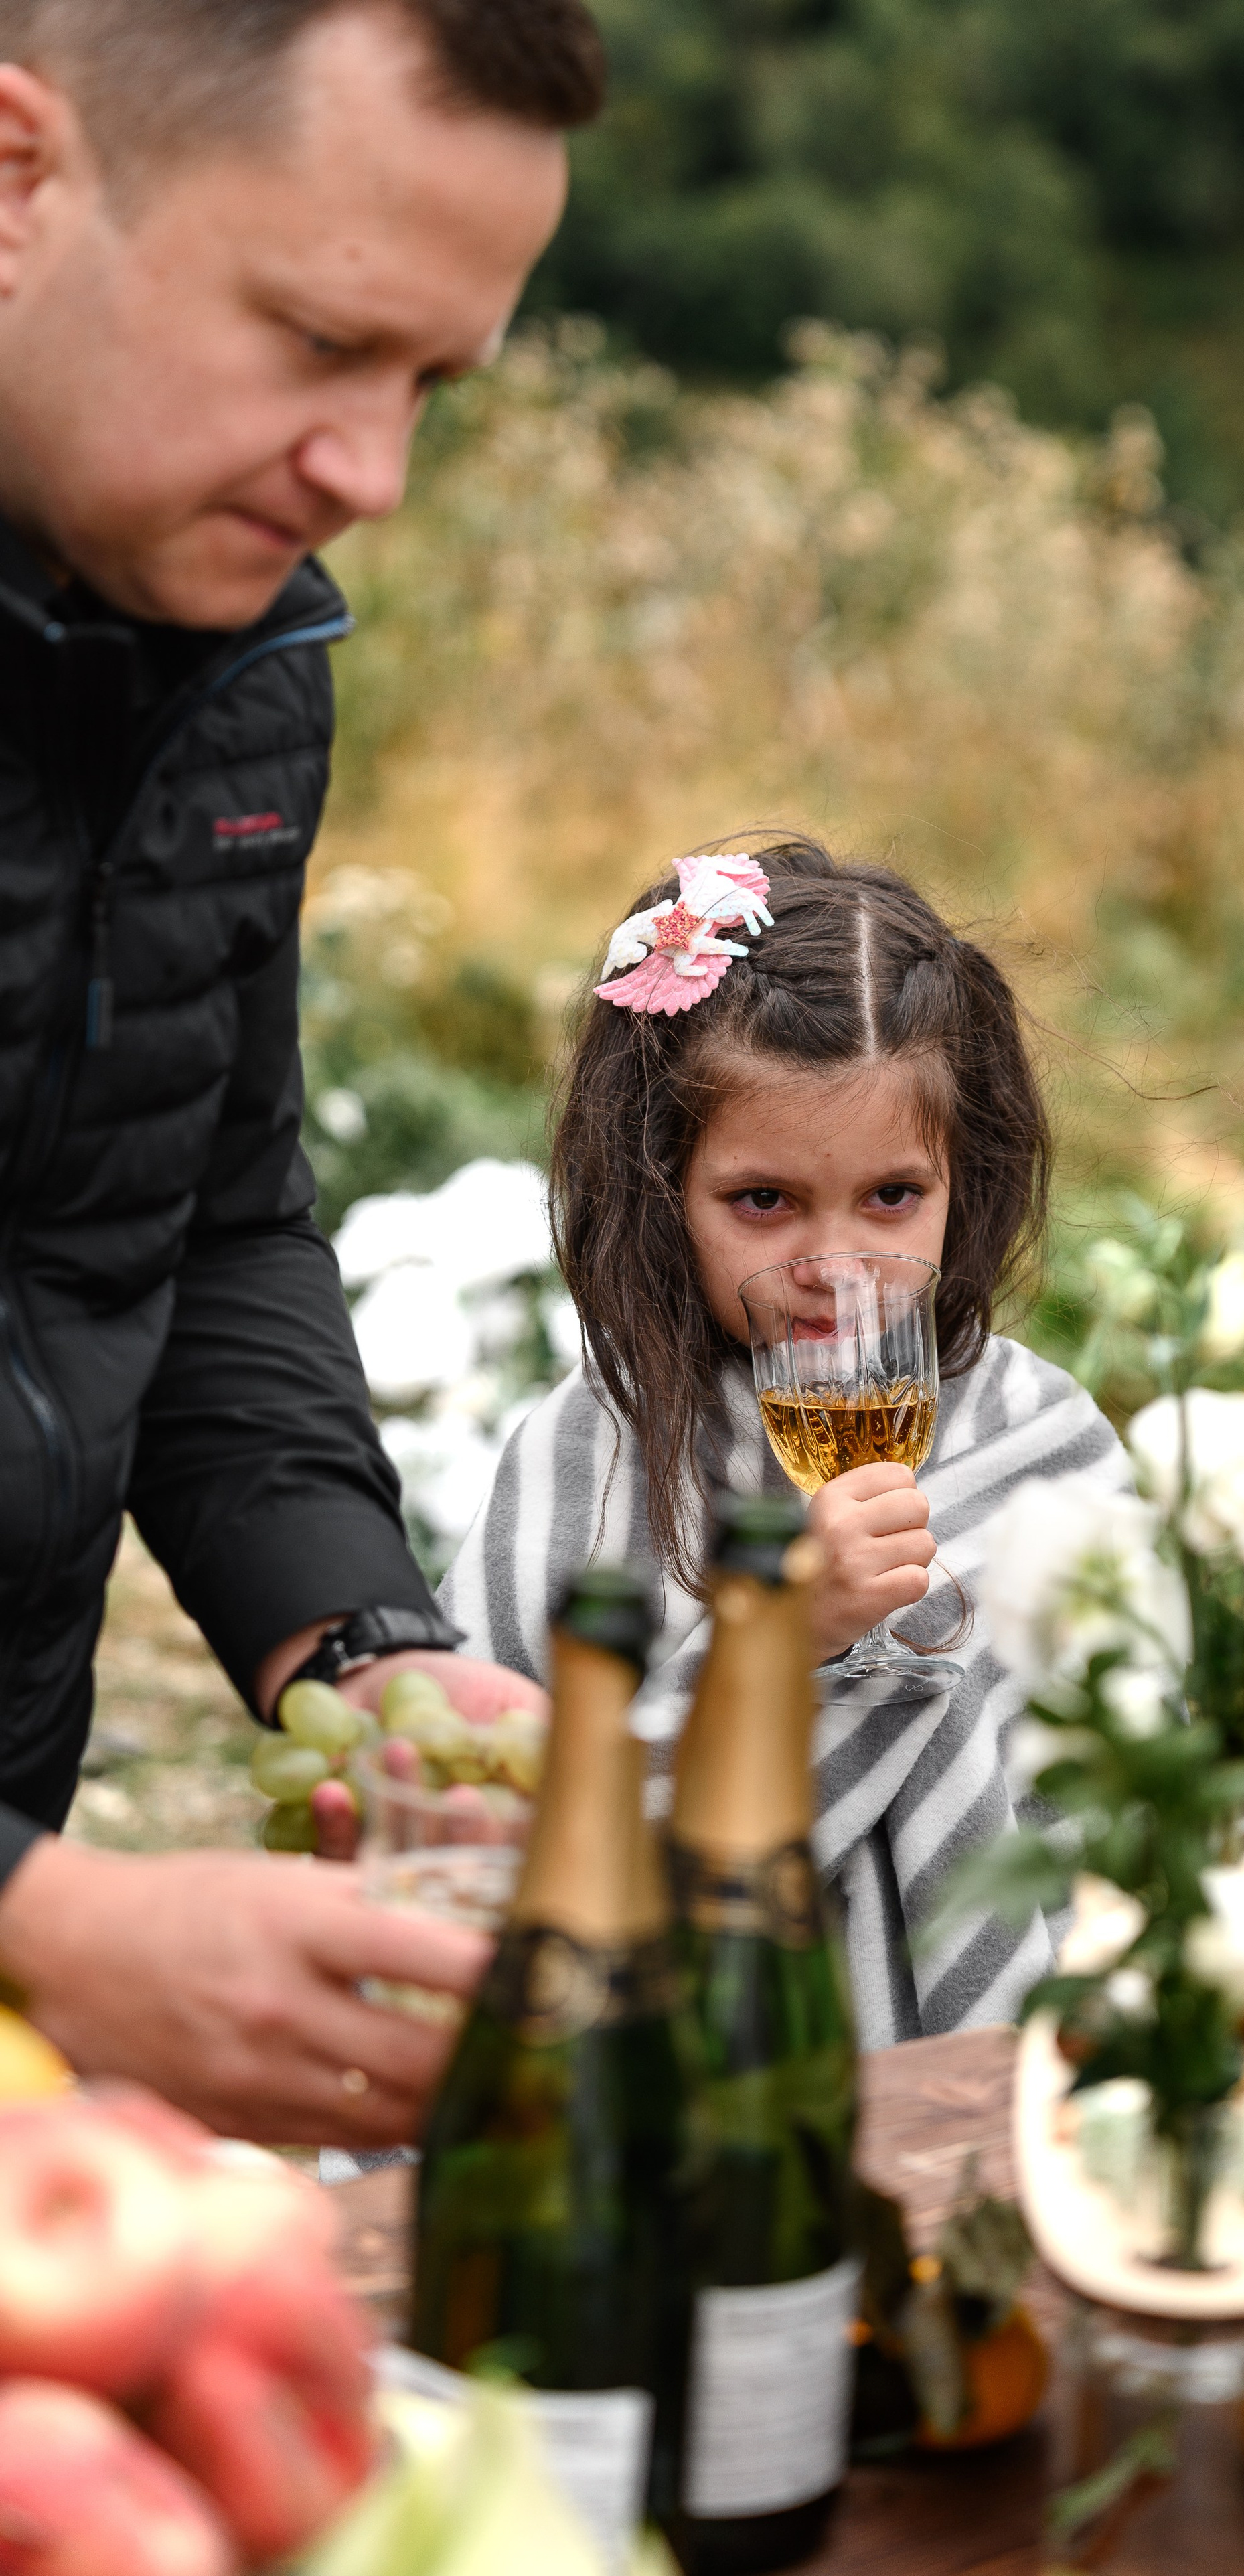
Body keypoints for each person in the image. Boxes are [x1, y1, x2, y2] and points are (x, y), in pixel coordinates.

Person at [0, 0, 601, 2142]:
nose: (375, 471)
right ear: (17, 178)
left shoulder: (239, 673)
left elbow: (200, 1216)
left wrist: (354, 1650)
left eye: (430, 381)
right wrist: (53, 1928)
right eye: (321, 341)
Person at [443, 837, 1134, 2050]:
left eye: (891, 1197)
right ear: (659, 1183)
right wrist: (776, 1649)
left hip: (986, 2099)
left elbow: (1132, 1823)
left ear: (965, 1178)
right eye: (763, 1201)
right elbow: (496, 1847)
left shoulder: (1043, 1446)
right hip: (669, 2099)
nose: (835, 1269)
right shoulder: (588, 1459)